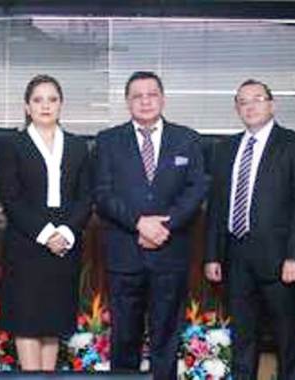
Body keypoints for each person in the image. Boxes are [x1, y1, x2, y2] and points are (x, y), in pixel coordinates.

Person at [94, 71, 208, 379]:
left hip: (169, 254)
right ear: (127, 102)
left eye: (151, 94)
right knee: (124, 338)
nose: (145, 101)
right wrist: (139, 224)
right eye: (137, 96)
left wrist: (164, 226)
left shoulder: (187, 139)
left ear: (163, 98)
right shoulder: (108, 141)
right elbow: (102, 194)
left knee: (166, 337)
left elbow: (196, 189)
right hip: (125, 254)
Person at [205, 79, 295, 380]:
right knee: (243, 335)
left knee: (287, 337)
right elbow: (217, 205)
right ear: (236, 108)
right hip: (236, 257)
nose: (250, 106)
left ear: (272, 104)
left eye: (257, 99)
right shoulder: (225, 149)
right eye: (243, 101)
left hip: (281, 260)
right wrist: (213, 255)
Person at [0, 74, 92, 371]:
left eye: (52, 99)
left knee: (53, 322)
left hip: (65, 245)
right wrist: (46, 233)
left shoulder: (78, 146)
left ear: (61, 105)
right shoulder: (13, 145)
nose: (45, 106)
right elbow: (11, 199)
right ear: (27, 106)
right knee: (27, 323)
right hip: (27, 245)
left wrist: (64, 232)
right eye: (38, 100)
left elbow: (86, 196)